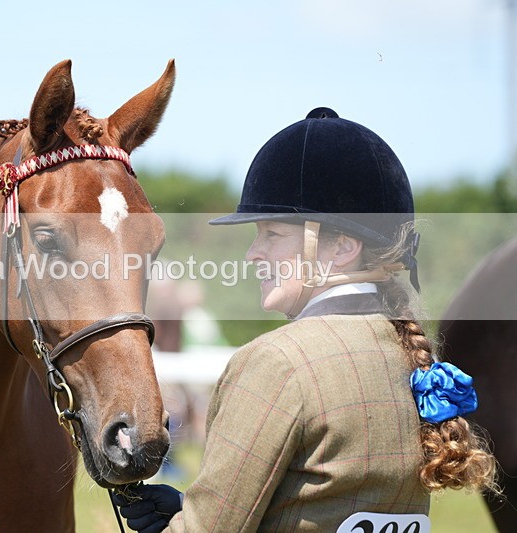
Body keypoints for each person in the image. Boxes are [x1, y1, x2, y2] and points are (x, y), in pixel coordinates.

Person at [112, 108, 498, 532]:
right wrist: (189, 506)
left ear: (342, 247)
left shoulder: (278, 363)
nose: (252, 253)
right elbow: (325, 506)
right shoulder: (408, 354)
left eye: (272, 235)